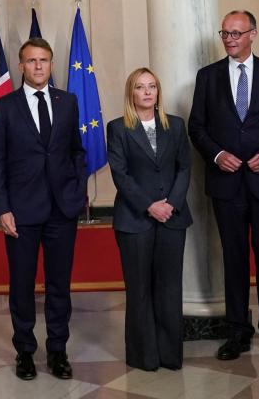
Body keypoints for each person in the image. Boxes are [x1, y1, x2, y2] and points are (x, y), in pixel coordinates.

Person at [188, 10, 259, 364]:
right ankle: (238, 332)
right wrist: (217, 153)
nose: (230, 39)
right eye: (225, 33)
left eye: (237, 33)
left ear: (253, 34)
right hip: (226, 184)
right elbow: (197, 126)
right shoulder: (207, 77)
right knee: (234, 259)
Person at [0, 38, 87, 381]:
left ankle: (58, 351)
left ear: (51, 63)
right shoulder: (4, 107)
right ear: (21, 66)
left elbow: (77, 151)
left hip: (62, 209)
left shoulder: (68, 102)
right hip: (21, 212)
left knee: (59, 284)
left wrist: (77, 192)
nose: (39, 66)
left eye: (44, 60)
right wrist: (2, 208)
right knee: (22, 285)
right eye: (32, 61)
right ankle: (25, 352)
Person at [107, 68, 192, 372]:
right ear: (131, 93)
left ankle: (170, 355)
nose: (147, 92)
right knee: (139, 289)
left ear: (158, 92)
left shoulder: (176, 126)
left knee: (170, 288)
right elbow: (121, 175)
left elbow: (185, 168)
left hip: (173, 217)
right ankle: (145, 356)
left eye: (152, 86)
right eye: (140, 87)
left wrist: (171, 204)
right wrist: (149, 206)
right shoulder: (117, 128)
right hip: (134, 220)